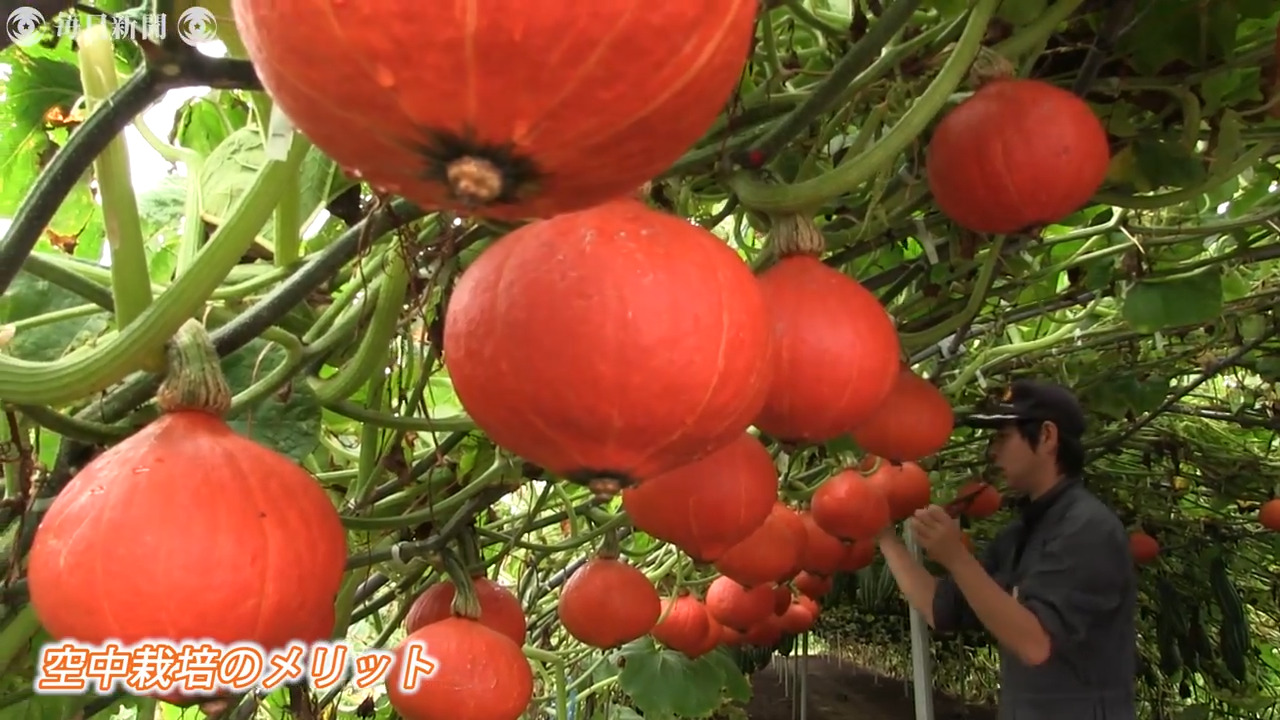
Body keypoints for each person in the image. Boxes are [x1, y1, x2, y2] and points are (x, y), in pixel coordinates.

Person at [876, 380, 1137, 719]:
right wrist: (884, 536)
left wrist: (956, 557)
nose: (992, 452)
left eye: (1002, 436)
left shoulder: (1088, 529)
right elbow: (939, 609)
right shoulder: (1020, 533)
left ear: (1046, 436)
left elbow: (1035, 644)